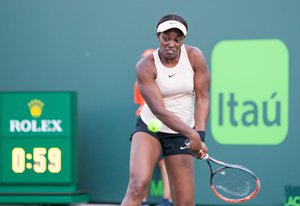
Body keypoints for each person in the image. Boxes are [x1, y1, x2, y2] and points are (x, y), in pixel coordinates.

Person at [121, 14, 210, 206]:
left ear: (183, 40)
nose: (171, 43)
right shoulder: (145, 65)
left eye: (177, 39)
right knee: (137, 186)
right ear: (158, 36)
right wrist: (192, 135)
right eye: (166, 38)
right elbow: (158, 109)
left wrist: (200, 136)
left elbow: (203, 98)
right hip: (150, 129)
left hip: (181, 135)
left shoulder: (195, 57)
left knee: (185, 202)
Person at [134, 50, 172, 206]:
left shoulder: (167, 82)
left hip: (165, 123)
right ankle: (142, 201)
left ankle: (167, 200)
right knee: (144, 163)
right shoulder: (138, 83)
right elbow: (140, 104)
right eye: (143, 60)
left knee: (165, 163)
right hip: (145, 123)